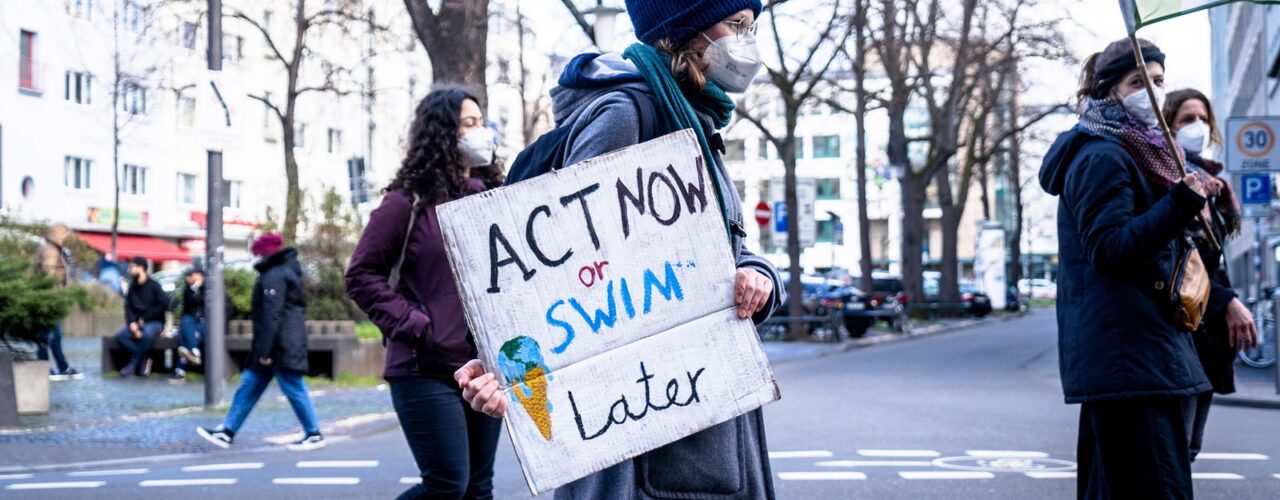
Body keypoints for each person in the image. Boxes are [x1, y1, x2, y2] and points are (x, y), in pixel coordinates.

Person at [456, 1, 785, 498]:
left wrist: (760, 278)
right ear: (686, 29)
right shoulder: (628, 113)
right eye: (736, 25)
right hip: (647, 451)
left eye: (752, 27)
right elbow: (564, 271)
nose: (747, 40)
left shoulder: (696, 118)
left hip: (696, 424)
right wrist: (506, 362)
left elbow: (731, 249)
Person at [1039, 38, 1213, 497]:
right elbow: (1109, 249)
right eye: (1139, 82)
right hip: (1131, 364)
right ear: (1109, 90)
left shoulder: (1135, 151)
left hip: (1132, 361)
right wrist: (1179, 203)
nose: (1153, 93)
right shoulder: (1103, 155)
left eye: (1159, 82)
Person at [345, 86, 507, 500]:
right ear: (442, 135)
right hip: (425, 368)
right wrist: (418, 325)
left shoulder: (489, 198)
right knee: (446, 486)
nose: (481, 132)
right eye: (468, 124)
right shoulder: (406, 203)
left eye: (481, 123)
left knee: (478, 488)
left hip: (483, 367)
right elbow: (362, 274)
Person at [1164, 88, 1259, 461]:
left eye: (1203, 119)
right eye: (1187, 119)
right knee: (1175, 454)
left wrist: (1224, 210)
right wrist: (1229, 300)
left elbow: (1212, 258)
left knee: (1188, 450)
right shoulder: (1170, 177)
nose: (1198, 126)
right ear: (1168, 124)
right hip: (1183, 332)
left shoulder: (1209, 182)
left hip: (1205, 337)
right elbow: (1185, 259)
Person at [197, 233, 325, 451]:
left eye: (256, 253)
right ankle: (227, 431)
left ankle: (313, 433)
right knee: (249, 385)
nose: (253, 257)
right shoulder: (282, 271)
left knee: (292, 386)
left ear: (264, 253)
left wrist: (265, 351)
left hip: (280, 345)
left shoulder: (274, 276)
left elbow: (271, 315)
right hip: (280, 342)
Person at [36, 223, 82, 380]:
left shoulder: (52, 248)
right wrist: (54, 299)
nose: (66, 239)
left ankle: (55, 367)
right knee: (51, 335)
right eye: (65, 236)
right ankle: (53, 367)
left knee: (51, 335)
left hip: (48, 299)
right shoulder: (50, 251)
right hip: (50, 300)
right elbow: (49, 277)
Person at [113, 256, 168, 378]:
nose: (129, 270)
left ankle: (132, 364)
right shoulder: (132, 287)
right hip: (137, 323)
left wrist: (146, 318)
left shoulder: (154, 285)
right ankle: (143, 358)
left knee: (147, 335)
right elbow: (128, 307)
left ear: (141, 268)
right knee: (121, 336)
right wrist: (132, 323)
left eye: (132, 267)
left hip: (154, 322)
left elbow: (163, 304)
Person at [171, 266, 207, 381]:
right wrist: (193, 288)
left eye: (191, 276)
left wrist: (197, 287)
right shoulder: (188, 289)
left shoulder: (208, 287)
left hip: (204, 321)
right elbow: (189, 304)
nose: (188, 279)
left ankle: (180, 370)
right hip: (191, 321)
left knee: (186, 334)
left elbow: (201, 302)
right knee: (186, 324)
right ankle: (195, 352)